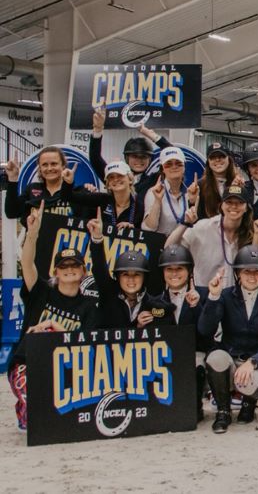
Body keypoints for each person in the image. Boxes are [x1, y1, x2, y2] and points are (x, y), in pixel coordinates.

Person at [7, 204, 99, 430]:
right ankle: (23, 406)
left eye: (75, 265)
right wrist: (33, 233)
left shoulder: (89, 305)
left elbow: (84, 345)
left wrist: (52, 324)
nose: (69, 269)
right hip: (26, 363)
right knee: (37, 417)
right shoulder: (41, 293)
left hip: (65, 370)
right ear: (55, 272)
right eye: (63, 265)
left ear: (83, 271)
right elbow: (27, 263)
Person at [199, 245, 258, 433]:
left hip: (255, 359)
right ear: (238, 273)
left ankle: (248, 404)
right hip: (231, 353)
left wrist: (253, 362)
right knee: (215, 358)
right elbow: (205, 329)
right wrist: (213, 296)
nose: (252, 276)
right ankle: (223, 410)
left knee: (254, 380)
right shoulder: (226, 295)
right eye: (247, 271)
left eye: (257, 272)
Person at [85, 214, 175, 329]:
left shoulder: (154, 305)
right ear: (118, 277)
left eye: (137, 274)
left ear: (144, 277)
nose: (131, 279)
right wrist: (97, 239)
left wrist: (141, 327)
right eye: (125, 274)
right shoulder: (109, 293)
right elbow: (99, 269)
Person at [152, 244, 209, 420]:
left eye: (179, 269)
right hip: (166, 354)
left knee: (198, 363)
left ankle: (195, 405)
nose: (174, 273)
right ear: (163, 272)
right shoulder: (155, 300)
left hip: (195, 352)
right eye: (169, 269)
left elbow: (206, 332)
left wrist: (196, 306)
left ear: (189, 271)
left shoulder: (204, 294)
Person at [167, 184, 254, 288]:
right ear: (222, 205)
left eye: (239, 203)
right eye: (229, 202)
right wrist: (185, 224)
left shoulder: (250, 233)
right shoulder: (203, 227)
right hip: (204, 294)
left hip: (233, 297)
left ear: (246, 208)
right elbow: (168, 249)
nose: (234, 206)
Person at [89, 107, 171, 203]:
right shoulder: (115, 178)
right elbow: (95, 159)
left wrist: (149, 134)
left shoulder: (154, 180)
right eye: (135, 156)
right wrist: (98, 130)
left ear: (150, 159)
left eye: (143, 157)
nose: (139, 160)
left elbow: (174, 154)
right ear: (127, 158)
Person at [4, 145, 79, 223]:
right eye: (44, 165)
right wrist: (12, 179)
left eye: (54, 164)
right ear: (39, 168)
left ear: (63, 166)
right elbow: (11, 213)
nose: (49, 168)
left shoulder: (74, 192)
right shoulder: (31, 189)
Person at [70, 161, 144, 228]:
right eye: (111, 177)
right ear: (108, 185)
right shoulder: (102, 199)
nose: (116, 179)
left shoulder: (140, 205)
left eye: (120, 175)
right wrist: (69, 183)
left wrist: (133, 229)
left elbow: (148, 233)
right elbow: (68, 196)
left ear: (130, 179)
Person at [142, 146, 197, 235]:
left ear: (184, 167)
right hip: (159, 246)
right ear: (162, 169)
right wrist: (157, 201)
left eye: (178, 163)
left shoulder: (190, 193)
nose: (174, 167)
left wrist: (192, 202)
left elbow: (195, 226)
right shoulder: (153, 192)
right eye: (168, 164)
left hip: (183, 246)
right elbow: (149, 228)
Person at [197, 142, 240, 220]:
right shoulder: (199, 185)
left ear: (229, 159)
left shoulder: (239, 183)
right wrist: (192, 201)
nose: (217, 160)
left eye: (222, 156)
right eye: (212, 157)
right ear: (208, 162)